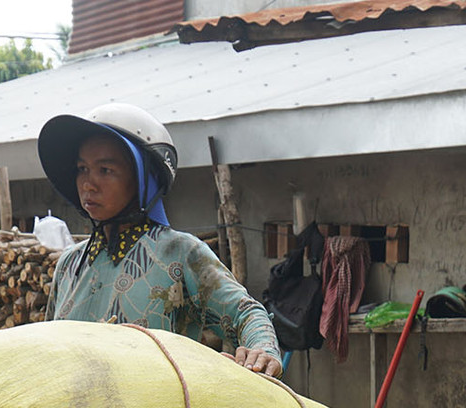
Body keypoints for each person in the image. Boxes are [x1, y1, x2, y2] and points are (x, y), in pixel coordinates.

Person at [36, 102, 282, 376]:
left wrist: (262, 350)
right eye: (82, 169)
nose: (87, 184)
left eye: (105, 170)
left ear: (145, 178)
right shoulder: (70, 264)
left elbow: (246, 313)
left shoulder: (179, 253)